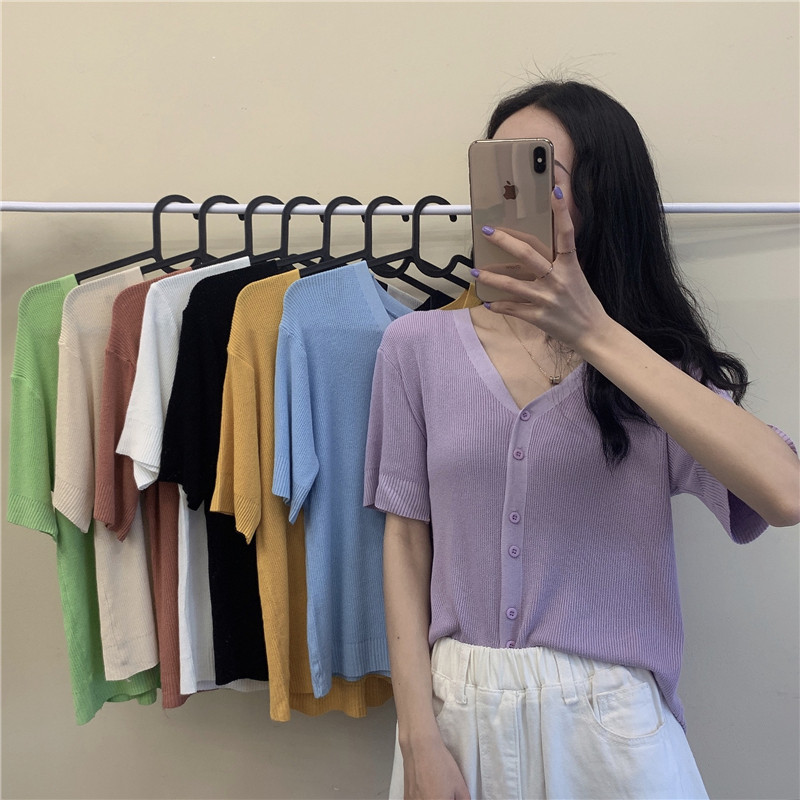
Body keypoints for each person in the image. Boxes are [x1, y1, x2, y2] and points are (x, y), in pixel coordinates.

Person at [363, 79, 799, 800]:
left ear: (600, 197)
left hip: (612, 728)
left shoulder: (654, 368)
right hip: (457, 715)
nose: (508, 196)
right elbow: (406, 541)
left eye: (538, 173)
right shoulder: (416, 347)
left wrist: (595, 333)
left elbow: (784, 494)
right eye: (494, 169)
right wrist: (418, 737)